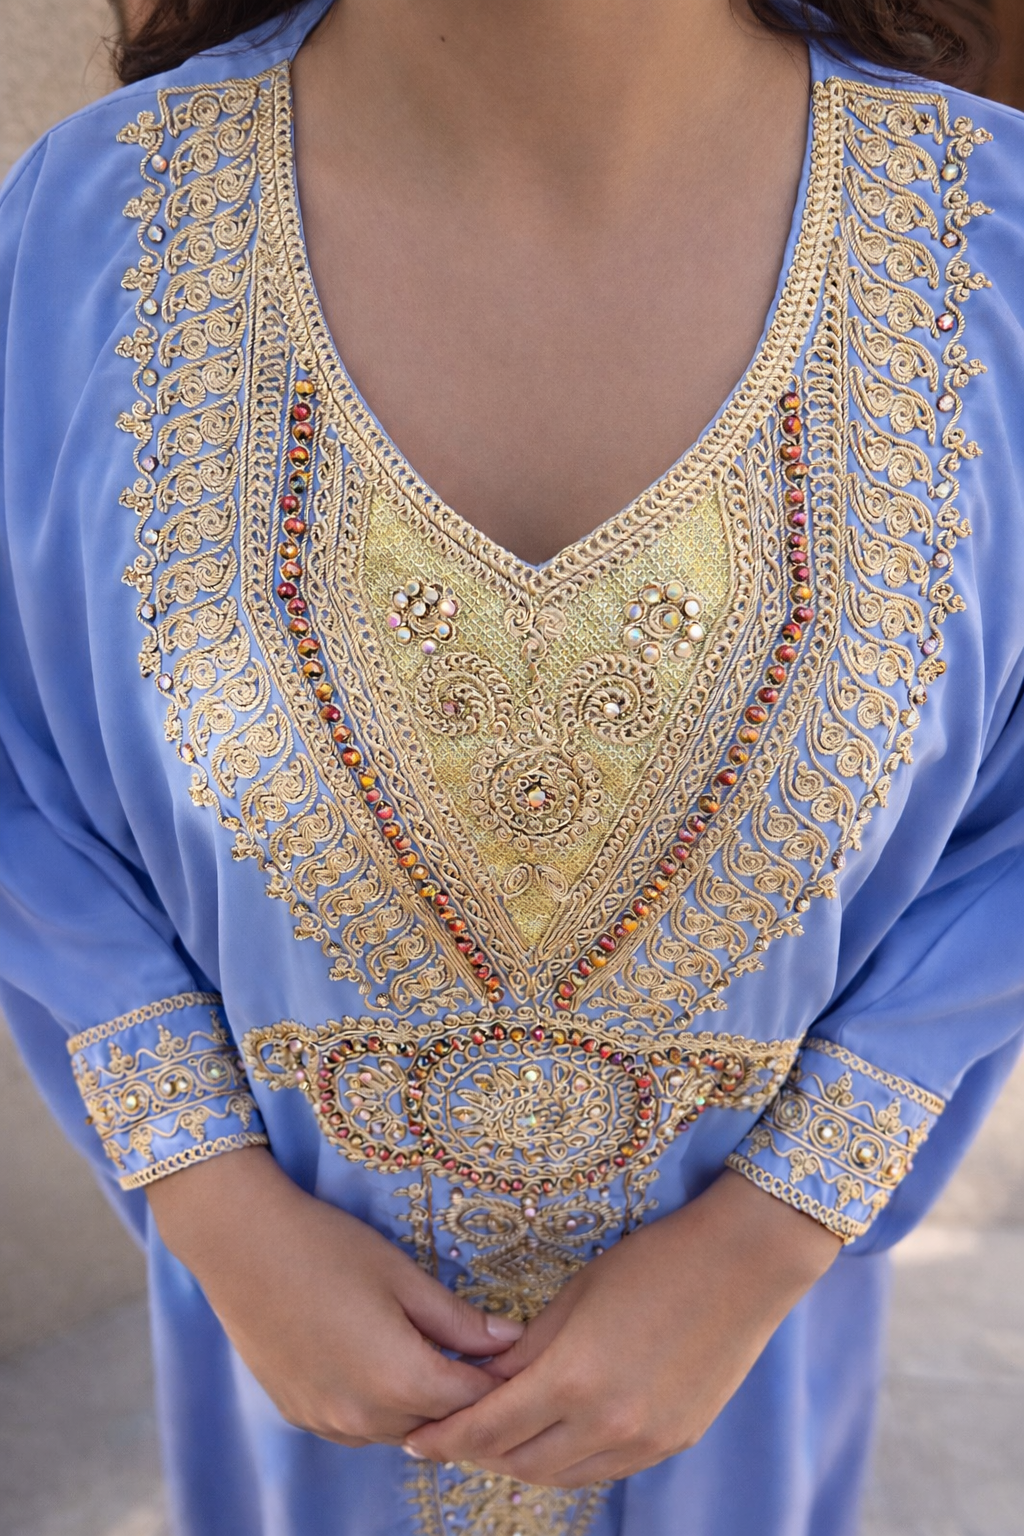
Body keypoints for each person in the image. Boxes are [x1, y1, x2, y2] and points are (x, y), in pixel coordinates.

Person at [1, 1, 1022, 1533]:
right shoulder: (79, 242)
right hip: (283, 1417)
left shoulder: (994, 254)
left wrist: (776, 1227)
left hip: (753, 1406)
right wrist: (207, 1195)